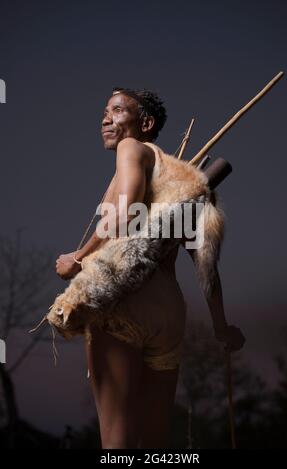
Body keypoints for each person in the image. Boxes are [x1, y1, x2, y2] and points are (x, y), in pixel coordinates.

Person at [55, 87, 245, 449]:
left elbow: (125, 212)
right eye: (104, 112)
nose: (105, 118)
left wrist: (77, 258)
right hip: (168, 315)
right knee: (156, 444)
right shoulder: (184, 182)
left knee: (117, 442)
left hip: (123, 304)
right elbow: (206, 268)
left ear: (145, 123)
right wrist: (221, 327)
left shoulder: (132, 149)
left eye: (116, 110)